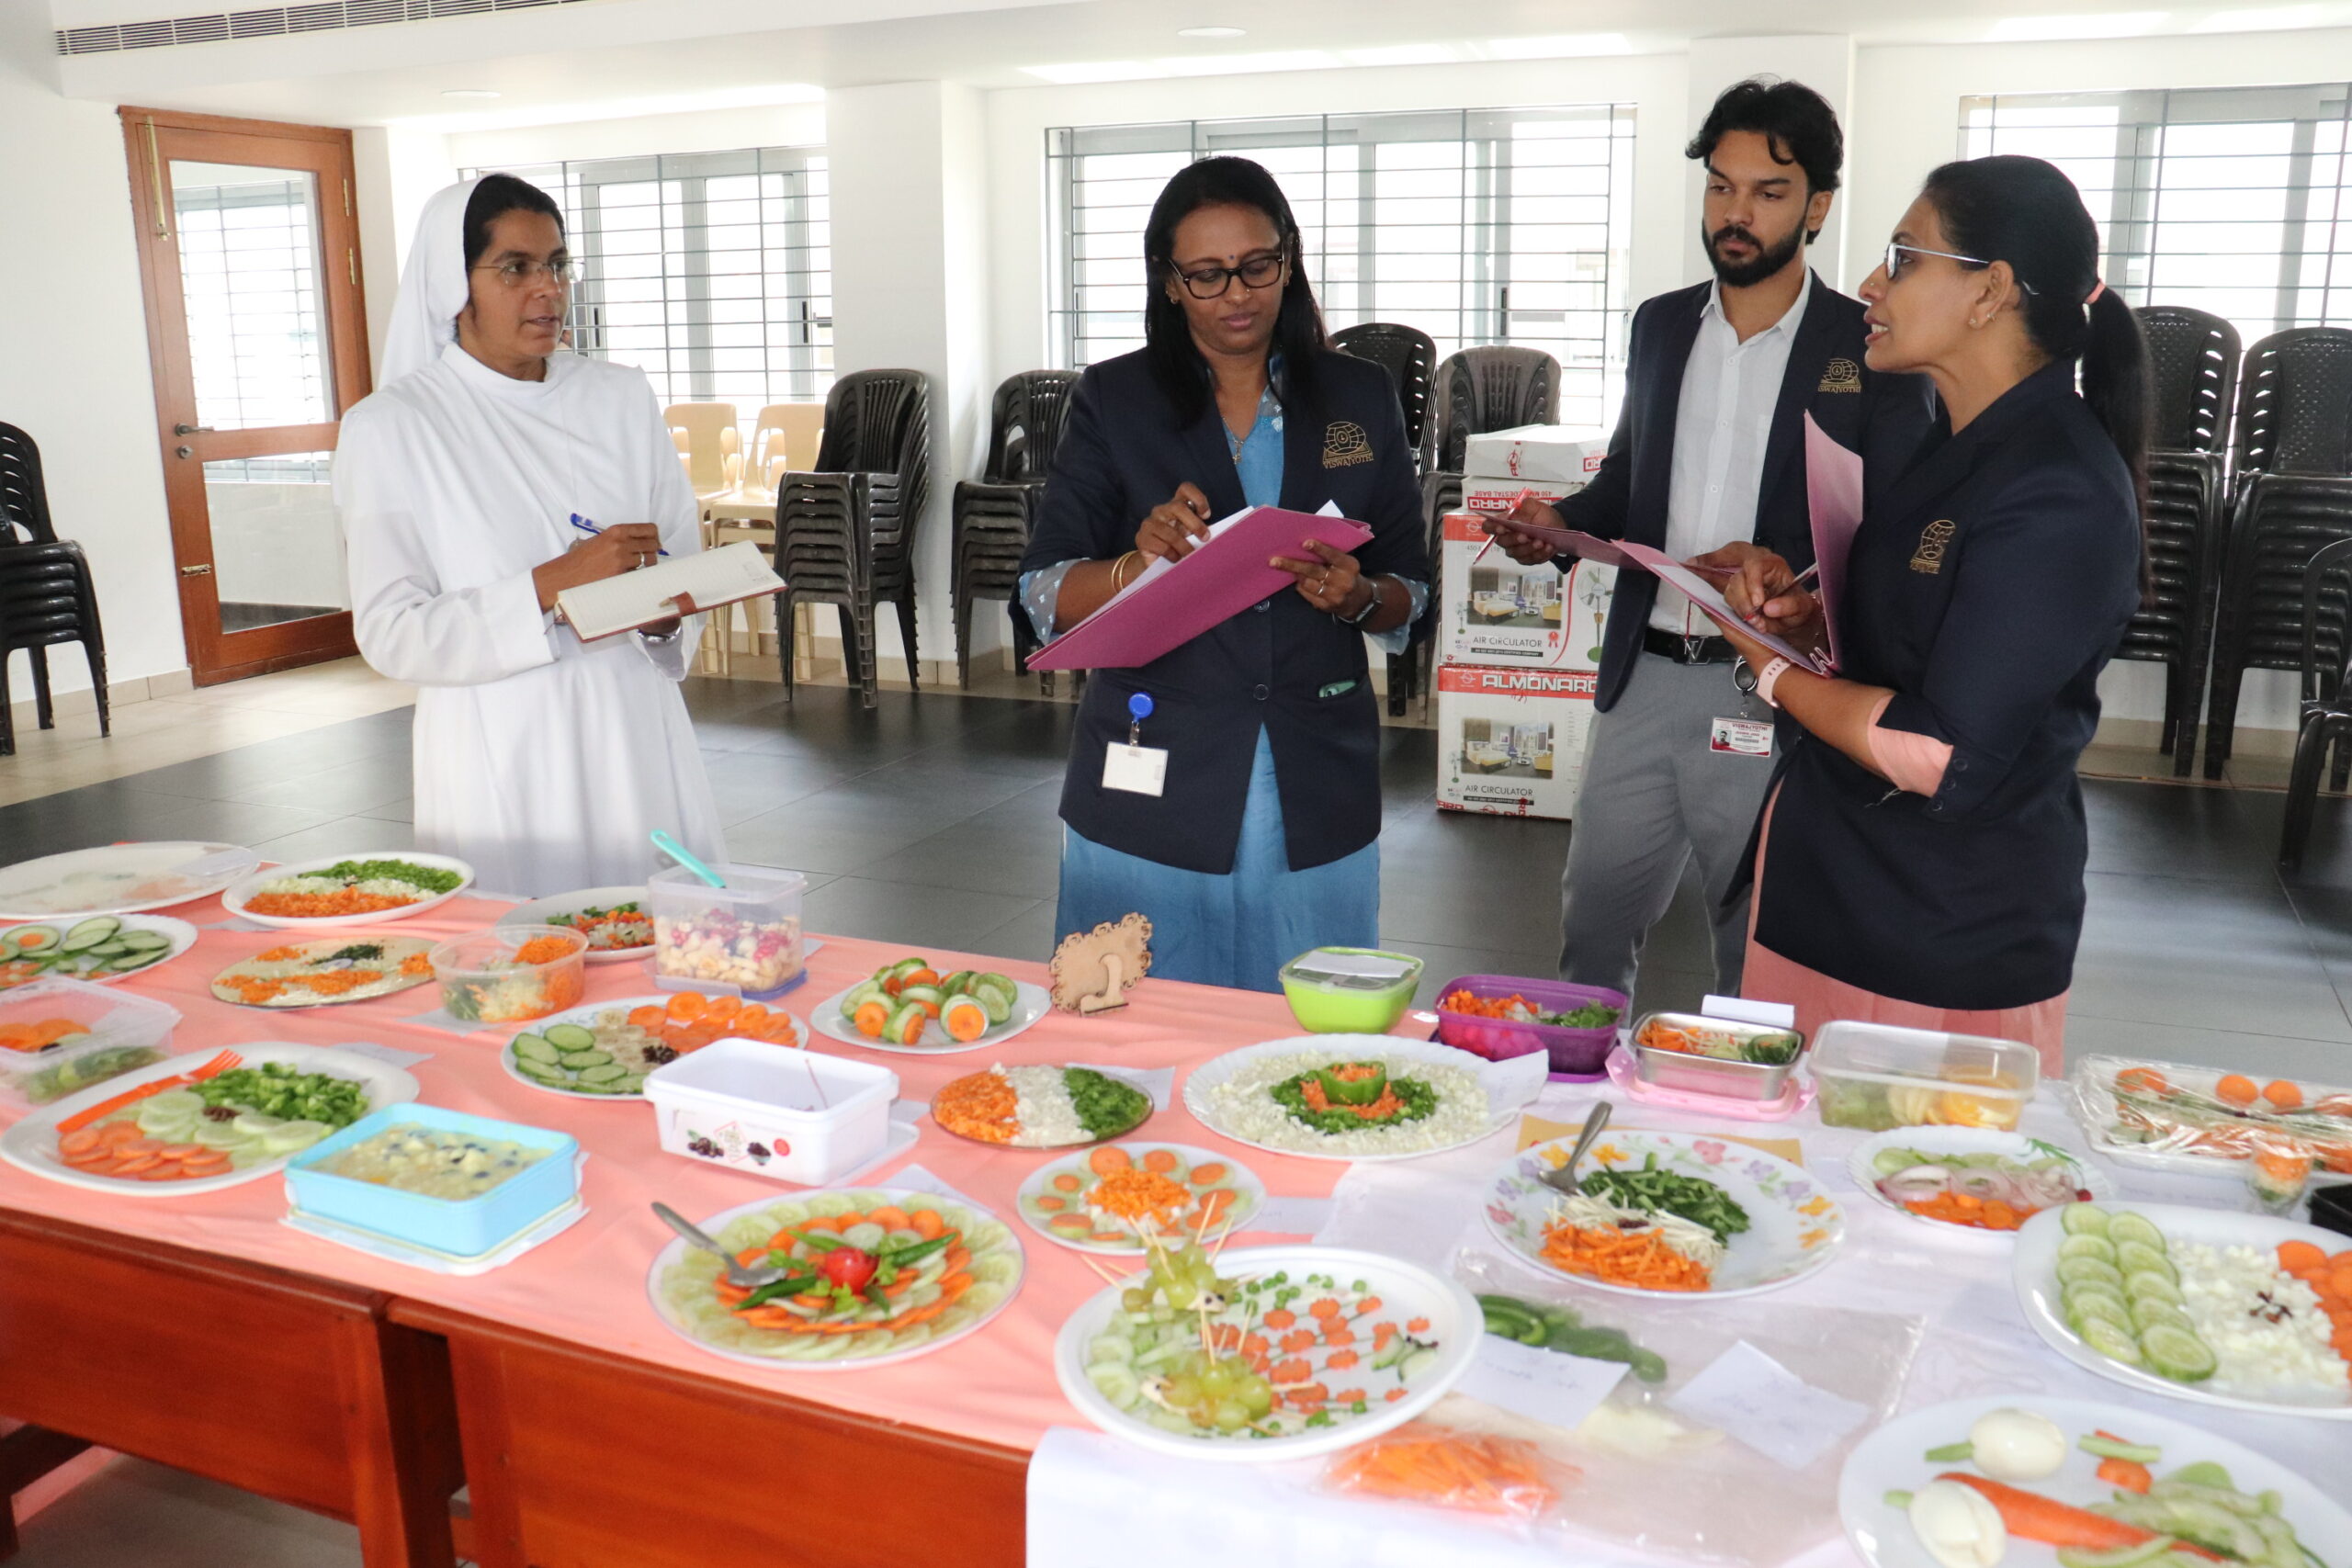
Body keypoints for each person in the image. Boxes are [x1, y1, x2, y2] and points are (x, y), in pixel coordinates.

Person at [1484, 77, 1935, 1011]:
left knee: (1758, 955)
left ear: (1816, 206)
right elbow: (1629, 485)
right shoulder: (1658, 326)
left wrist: (1807, 597)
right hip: (1642, 679)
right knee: (1593, 931)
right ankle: (1581, 1120)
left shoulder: (1870, 348)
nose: (1736, 213)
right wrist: (1559, 525)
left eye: (1767, 192)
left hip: (1773, 690)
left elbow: (1893, 532)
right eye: (1720, 186)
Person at [1712, 154, 2150, 1072]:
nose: (1871, 284)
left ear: (1989, 290)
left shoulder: (2058, 488)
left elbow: (1939, 750)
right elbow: (1914, 646)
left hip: (1935, 929)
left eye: (1903, 257)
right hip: (1828, 889)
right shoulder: (1940, 444)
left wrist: (1767, 670)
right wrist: (1804, 626)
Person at [1017, 157, 1430, 992]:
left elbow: (1410, 597)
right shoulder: (1114, 399)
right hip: (1152, 768)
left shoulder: (1360, 396)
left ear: (1290, 258)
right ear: (1168, 283)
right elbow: (1043, 595)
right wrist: (1138, 563)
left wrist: (1358, 597)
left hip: (1314, 772)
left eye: (1258, 265)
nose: (1237, 293)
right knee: (1139, 1030)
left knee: (1312, 1041)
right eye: (1206, 275)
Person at [334, 174, 726, 897]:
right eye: (515, 268)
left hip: (633, 724)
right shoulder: (393, 428)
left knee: (666, 949)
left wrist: (666, 615)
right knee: (524, 966)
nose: (547, 288)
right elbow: (392, 631)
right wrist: (553, 584)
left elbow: (678, 552)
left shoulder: (619, 397)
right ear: (454, 287)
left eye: (557, 264)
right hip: (503, 740)